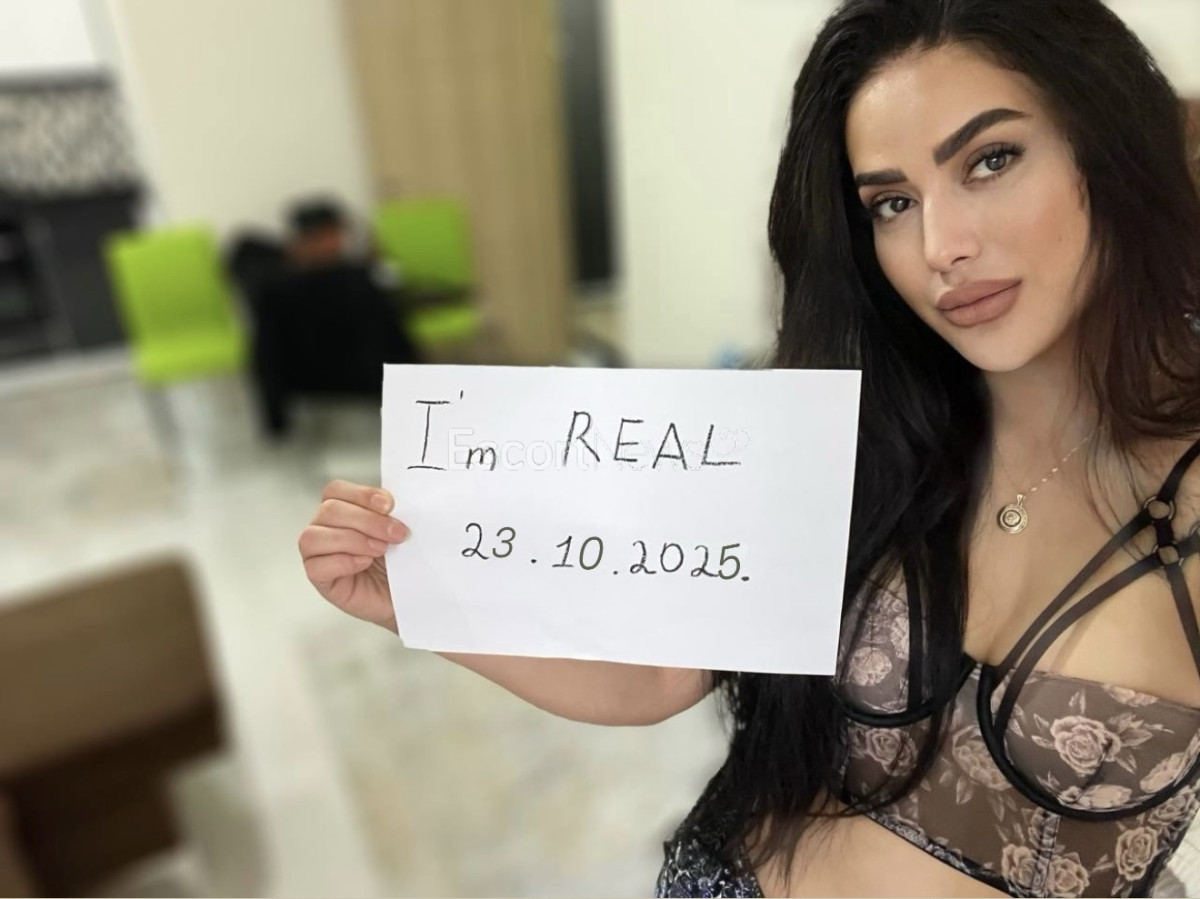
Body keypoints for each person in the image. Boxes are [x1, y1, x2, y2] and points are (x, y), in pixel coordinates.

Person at [297, 0, 1200, 894]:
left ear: (1107, 143)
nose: (940, 246)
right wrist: (425, 596)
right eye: (891, 203)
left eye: (991, 160)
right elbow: (663, 670)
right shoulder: (861, 435)